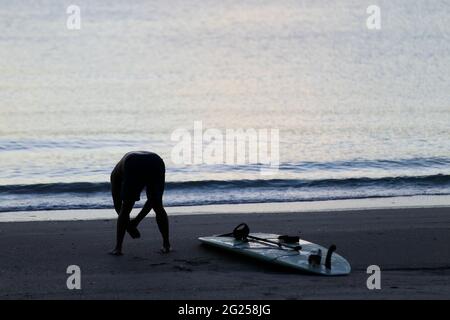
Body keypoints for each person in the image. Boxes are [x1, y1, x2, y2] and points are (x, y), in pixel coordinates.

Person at [109, 151, 170, 256]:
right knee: (158, 205)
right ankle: (166, 245)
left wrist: (133, 223)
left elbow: (118, 204)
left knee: (127, 206)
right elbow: (152, 201)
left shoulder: (115, 175)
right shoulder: (117, 175)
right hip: (156, 160)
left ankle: (118, 248)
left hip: (133, 163)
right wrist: (131, 225)